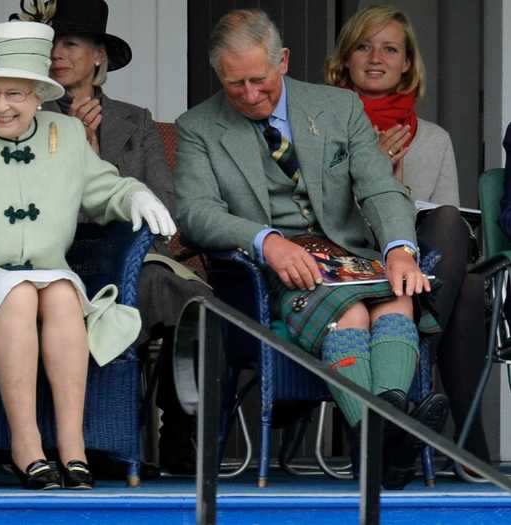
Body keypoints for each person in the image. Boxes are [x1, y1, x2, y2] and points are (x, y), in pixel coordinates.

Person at [0, 20, 175, 490]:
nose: (1, 105)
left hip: (49, 274)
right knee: (20, 293)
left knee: (62, 292)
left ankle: (73, 449)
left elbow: (106, 189)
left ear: (38, 95)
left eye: (15, 94)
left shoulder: (64, 133)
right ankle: (27, 447)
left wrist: (136, 197)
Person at [174, 8, 449, 489]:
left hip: (352, 256)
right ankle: (391, 441)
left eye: (259, 80)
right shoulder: (198, 126)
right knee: (353, 316)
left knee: (398, 298)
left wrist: (400, 248)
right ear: (218, 73)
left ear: (282, 60)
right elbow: (195, 212)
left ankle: (376, 442)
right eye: (234, 84)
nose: (250, 95)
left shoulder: (338, 107)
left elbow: (379, 187)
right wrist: (266, 241)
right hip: (274, 270)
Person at [34, 0, 212, 474]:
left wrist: (100, 159)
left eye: (70, 44)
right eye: (51, 44)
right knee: (146, 289)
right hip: (63, 256)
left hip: (132, 256)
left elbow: (164, 202)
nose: (57, 54)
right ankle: (104, 437)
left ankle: (178, 430)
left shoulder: (136, 119)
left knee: (192, 296)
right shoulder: (28, 113)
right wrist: (78, 153)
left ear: (98, 57)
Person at [324, 4, 490, 464]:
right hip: (352, 262)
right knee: (468, 292)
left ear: (407, 64)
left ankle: (423, 349)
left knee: (452, 234)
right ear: (345, 59)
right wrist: (373, 174)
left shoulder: (433, 139)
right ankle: (471, 450)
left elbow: (446, 222)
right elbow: (321, 219)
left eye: (390, 48)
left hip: (420, 270)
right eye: (363, 46)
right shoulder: (323, 127)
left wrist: (400, 192)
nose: (376, 57)